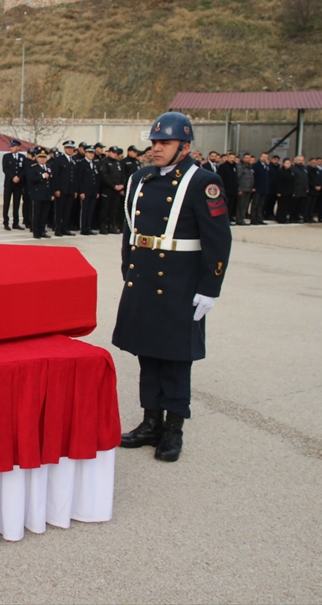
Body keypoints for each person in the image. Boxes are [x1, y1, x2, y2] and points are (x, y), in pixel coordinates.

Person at [114, 113, 231, 464]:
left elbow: (218, 239)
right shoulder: (139, 179)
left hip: (181, 283)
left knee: (177, 358)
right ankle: (151, 421)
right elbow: (130, 230)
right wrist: (128, 269)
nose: (156, 149)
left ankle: (173, 427)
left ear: (185, 146)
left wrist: (210, 287)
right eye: (154, 143)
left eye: (164, 143)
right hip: (145, 278)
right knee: (147, 354)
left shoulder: (203, 182)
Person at [49, 140, 77, 237]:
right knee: (59, 210)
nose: (70, 150)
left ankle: (65, 227)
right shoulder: (59, 160)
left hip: (70, 190)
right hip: (61, 189)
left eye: (72, 148)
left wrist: (75, 190)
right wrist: (56, 189)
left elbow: (74, 177)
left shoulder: (73, 160)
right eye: (69, 148)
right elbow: (55, 176)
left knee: (67, 210)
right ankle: (58, 228)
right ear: (65, 149)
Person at [97, 147, 125, 235]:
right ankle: (103, 226)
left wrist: (122, 185)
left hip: (117, 190)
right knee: (105, 208)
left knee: (113, 209)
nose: (115, 154)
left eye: (116, 153)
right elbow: (104, 176)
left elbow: (122, 175)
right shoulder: (105, 162)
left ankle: (111, 226)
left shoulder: (118, 163)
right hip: (108, 189)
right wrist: (113, 186)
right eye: (113, 152)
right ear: (109, 152)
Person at [26, 148, 53, 239]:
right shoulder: (33, 167)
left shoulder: (48, 167)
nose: (43, 159)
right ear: (37, 157)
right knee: (37, 214)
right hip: (37, 194)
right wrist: (42, 176)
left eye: (44, 157)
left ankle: (42, 231)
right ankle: (36, 232)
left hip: (47, 194)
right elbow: (31, 179)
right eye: (41, 157)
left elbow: (52, 182)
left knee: (44, 214)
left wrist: (52, 193)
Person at [1, 139, 26, 231]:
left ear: (18, 147)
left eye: (13, 146)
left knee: (17, 203)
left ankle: (16, 223)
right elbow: (5, 168)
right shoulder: (6, 156)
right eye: (11, 146)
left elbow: (24, 169)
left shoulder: (22, 157)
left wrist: (19, 177)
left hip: (18, 184)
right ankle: (6, 222)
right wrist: (13, 177)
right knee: (6, 203)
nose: (11, 148)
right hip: (9, 183)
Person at [76, 145, 99, 235]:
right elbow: (79, 179)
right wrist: (81, 191)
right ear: (85, 153)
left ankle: (88, 227)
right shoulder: (81, 163)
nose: (91, 155)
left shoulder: (94, 164)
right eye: (89, 153)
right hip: (85, 191)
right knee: (84, 210)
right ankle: (84, 228)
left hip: (93, 191)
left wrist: (97, 191)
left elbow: (96, 178)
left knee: (91, 210)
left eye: (92, 153)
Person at [234, 154, 254, 226]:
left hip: (248, 189)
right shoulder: (240, 166)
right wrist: (239, 189)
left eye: (249, 158)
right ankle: (239, 219)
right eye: (246, 158)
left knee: (245, 205)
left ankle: (242, 218)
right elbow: (237, 178)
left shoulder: (249, 167)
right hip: (242, 188)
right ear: (243, 158)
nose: (248, 159)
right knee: (240, 205)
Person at [250, 153, 270, 226]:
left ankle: (259, 218)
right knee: (255, 204)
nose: (265, 158)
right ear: (261, 157)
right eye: (263, 157)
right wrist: (254, 187)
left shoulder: (267, 166)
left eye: (266, 157)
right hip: (257, 188)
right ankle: (253, 218)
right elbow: (254, 177)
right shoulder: (256, 165)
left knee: (261, 204)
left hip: (264, 188)